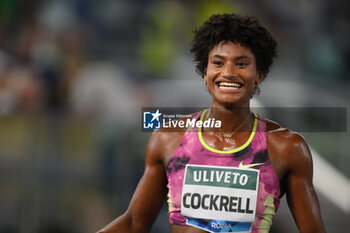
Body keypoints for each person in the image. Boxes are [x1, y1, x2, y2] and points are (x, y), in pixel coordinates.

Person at [97, 14, 326, 233]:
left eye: (242, 64)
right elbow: (134, 224)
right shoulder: (168, 138)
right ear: (204, 71)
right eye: (218, 62)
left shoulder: (287, 148)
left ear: (259, 74)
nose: (228, 72)